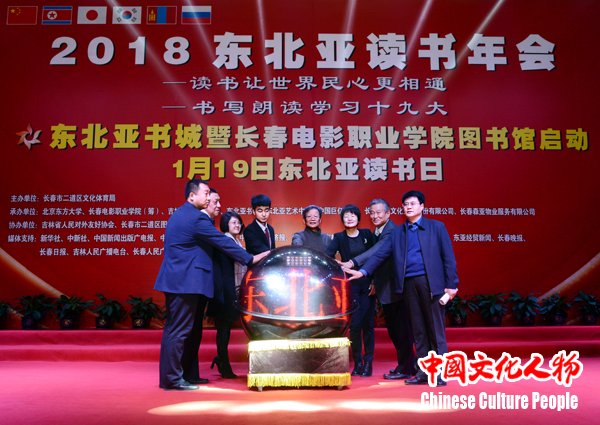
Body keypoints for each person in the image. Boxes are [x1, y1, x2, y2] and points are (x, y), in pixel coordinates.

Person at [154, 179, 267, 391]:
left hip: (186, 282)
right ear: (192, 196)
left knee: (188, 331)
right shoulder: (195, 217)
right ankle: (172, 379)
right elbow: (222, 241)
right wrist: (250, 259)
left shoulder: (185, 214)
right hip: (184, 282)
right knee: (178, 331)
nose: (209, 198)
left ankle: (187, 375)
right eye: (206, 193)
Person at [345, 190, 459, 386]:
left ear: (422, 206)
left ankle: (438, 373)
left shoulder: (436, 227)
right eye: (405, 204)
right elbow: (380, 254)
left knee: (434, 330)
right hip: (408, 284)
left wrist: (452, 284)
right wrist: (362, 271)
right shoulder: (398, 232)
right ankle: (423, 373)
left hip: (431, 283)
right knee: (418, 330)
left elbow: (448, 257)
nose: (408, 207)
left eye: (412, 204)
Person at [340, 198, 416, 380]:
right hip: (386, 289)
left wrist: (353, 263)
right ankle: (407, 365)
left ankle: (407, 367)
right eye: (372, 213)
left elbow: (378, 251)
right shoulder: (377, 231)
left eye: (378, 212)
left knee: (401, 330)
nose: (374, 216)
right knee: (395, 330)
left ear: (388, 213)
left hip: (395, 289)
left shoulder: (391, 231)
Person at [326, 204, 375, 377]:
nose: (349, 218)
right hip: (351, 285)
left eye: (353, 215)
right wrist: (341, 266)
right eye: (346, 215)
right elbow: (328, 256)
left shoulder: (367, 234)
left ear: (358, 218)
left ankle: (368, 362)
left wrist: (374, 281)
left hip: (368, 284)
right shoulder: (339, 237)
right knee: (354, 325)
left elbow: (376, 257)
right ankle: (358, 362)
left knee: (368, 325)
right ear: (342, 219)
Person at [206, 211, 248, 379]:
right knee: (223, 330)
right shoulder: (225, 241)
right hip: (224, 293)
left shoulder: (236, 241)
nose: (237, 225)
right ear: (225, 225)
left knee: (226, 329)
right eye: (233, 223)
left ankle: (222, 360)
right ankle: (223, 363)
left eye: (238, 222)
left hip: (233, 291)